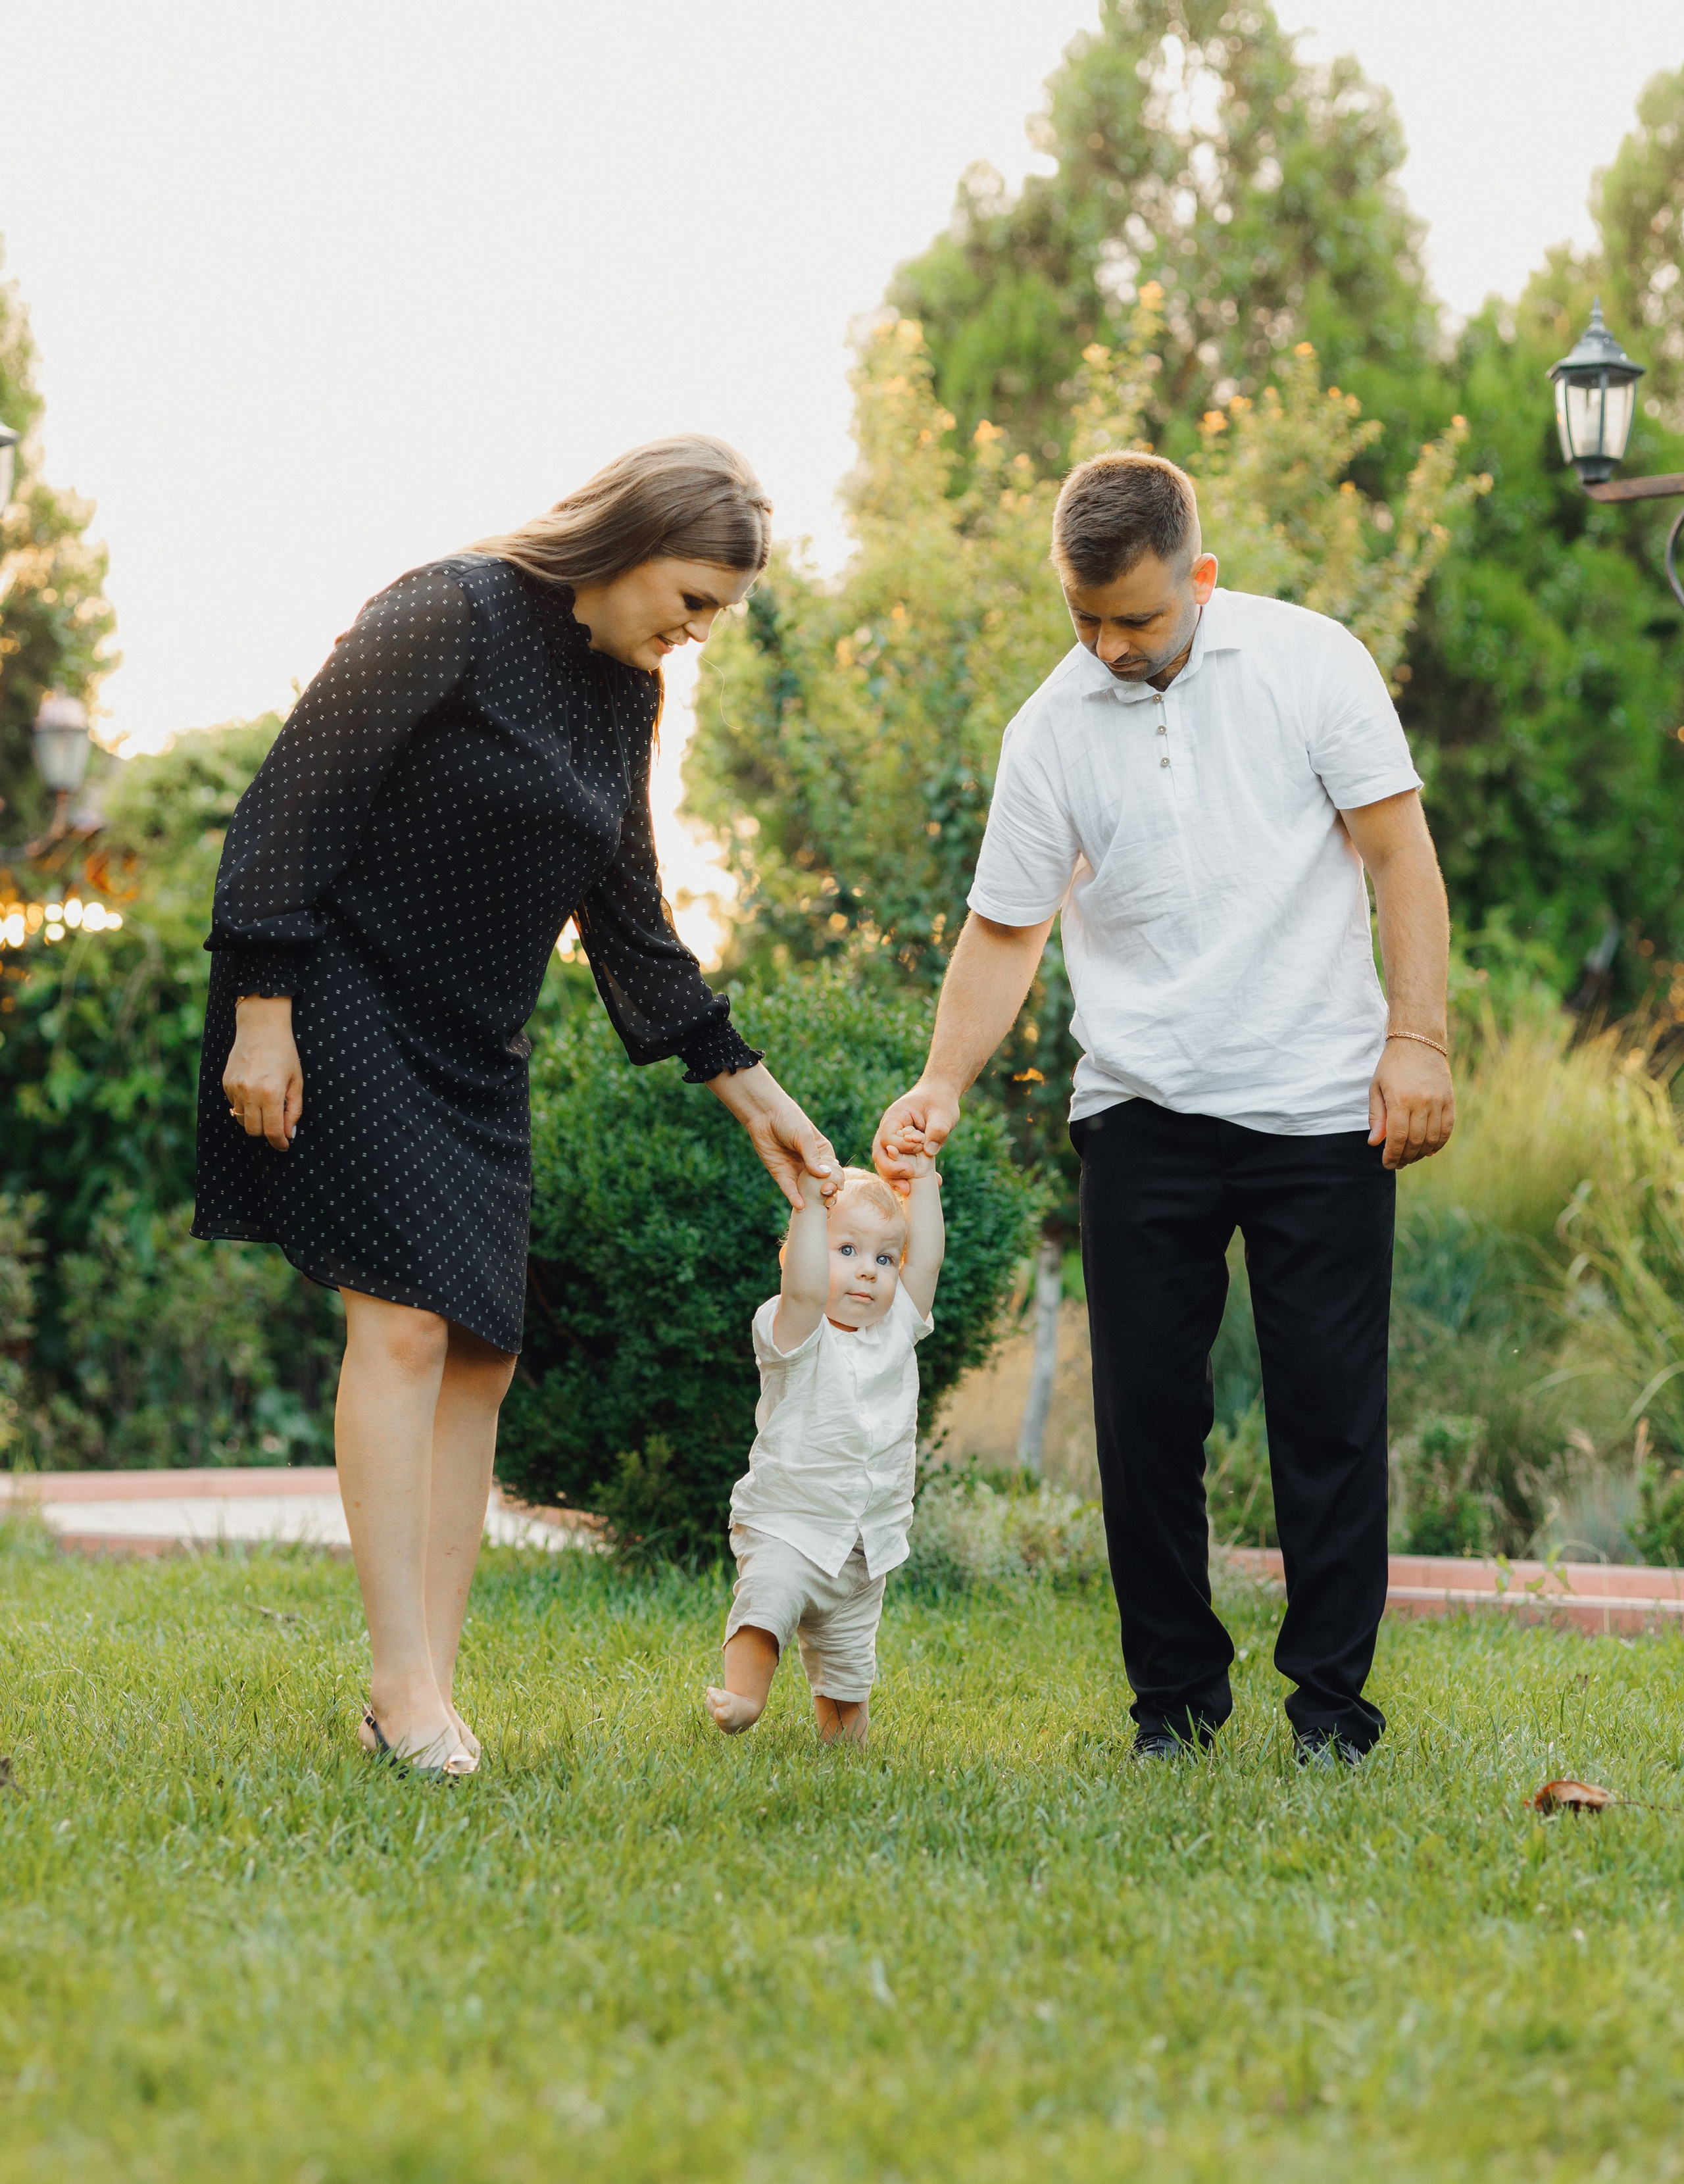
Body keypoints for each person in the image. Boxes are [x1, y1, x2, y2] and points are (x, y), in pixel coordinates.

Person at [195, 436, 840, 1777]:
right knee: (408, 1323)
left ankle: (416, 1690)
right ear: (620, 541)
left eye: (717, 611)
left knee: (482, 1347)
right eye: (692, 595)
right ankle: (401, 1682)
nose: (698, 629)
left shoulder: (625, 693)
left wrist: (751, 1091)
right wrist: (263, 1004)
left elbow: (626, 913)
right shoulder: (449, 609)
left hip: (475, 1041)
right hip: (342, 993)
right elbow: (292, 800)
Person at [874, 451, 1453, 1767]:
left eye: (1134, 619)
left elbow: (1396, 855)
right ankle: (1173, 1710)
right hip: (1139, 1112)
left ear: (1198, 575)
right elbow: (1003, 930)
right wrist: (939, 1081)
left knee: (1325, 1414)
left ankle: (1330, 1716)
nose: (1106, 646)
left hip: (1319, 1106)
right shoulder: (1050, 728)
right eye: (1082, 620)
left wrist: (1414, 1042)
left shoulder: (1312, 664)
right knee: (1143, 1425)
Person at [706, 1148, 945, 1747]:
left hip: (865, 1545)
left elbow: (929, 1263)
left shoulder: (899, 1327)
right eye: (847, 1251)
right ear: (800, 1260)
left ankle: (843, 1748)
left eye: (884, 1258)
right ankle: (743, 1698)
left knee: (848, 1668)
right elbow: (808, 1289)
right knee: (769, 1606)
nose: (868, 1270)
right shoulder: (794, 1329)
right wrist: (811, 1205)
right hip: (791, 1525)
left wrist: (924, 1182)